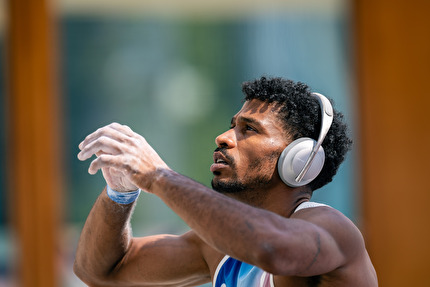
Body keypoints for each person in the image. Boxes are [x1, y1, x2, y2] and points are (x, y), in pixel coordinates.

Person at [74, 76, 378, 286]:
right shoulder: (218, 248)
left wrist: (158, 176)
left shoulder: (333, 230)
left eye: (249, 129)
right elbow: (101, 272)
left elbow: (272, 248)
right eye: (231, 126)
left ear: (300, 160)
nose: (223, 137)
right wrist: (120, 192)